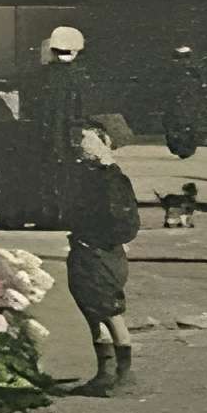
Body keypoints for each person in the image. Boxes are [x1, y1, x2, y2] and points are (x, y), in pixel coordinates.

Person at [61, 126, 142, 392]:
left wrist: (92, 237)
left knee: (108, 311)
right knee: (96, 311)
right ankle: (108, 373)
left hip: (97, 252)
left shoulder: (103, 181)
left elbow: (112, 219)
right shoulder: (112, 178)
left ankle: (120, 374)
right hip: (99, 251)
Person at [13, 26, 96, 229]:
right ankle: (68, 214)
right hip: (70, 135)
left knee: (45, 173)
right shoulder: (81, 77)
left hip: (43, 133)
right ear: (77, 50)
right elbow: (86, 110)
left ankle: (47, 214)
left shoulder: (39, 76)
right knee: (72, 175)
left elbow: (27, 106)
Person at [162, 43, 207, 160]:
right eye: (179, 58)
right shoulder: (172, 72)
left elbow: (201, 86)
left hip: (190, 101)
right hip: (176, 101)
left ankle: (186, 147)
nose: (183, 61)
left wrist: (201, 98)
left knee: (189, 124)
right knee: (174, 124)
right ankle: (179, 146)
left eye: (186, 58)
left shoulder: (194, 72)